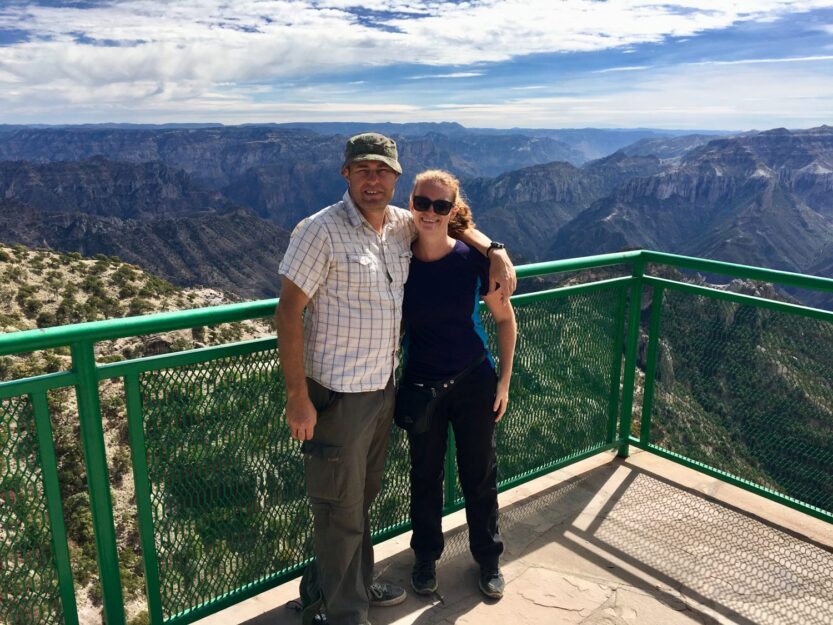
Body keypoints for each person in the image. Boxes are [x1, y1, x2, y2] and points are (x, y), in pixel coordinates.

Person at [275, 133, 515, 625]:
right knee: (342, 509)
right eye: (363, 169)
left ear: (396, 180)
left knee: (359, 502)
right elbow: (288, 313)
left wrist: (496, 248)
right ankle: (345, 611)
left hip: (388, 390)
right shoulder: (319, 230)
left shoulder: (399, 226)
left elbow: (454, 224)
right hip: (339, 393)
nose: (372, 179)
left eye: (382, 171)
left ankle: (350, 590)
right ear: (346, 173)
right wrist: (297, 396)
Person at [401, 170, 516, 600]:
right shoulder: (397, 254)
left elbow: (505, 320)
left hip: (473, 381)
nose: (430, 212)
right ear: (410, 203)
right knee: (424, 477)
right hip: (420, 385)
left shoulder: (473, 262)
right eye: (422, 202)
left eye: (441, 205)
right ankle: (426, 558)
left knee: (479, 474)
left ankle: (488, 561)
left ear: (453, 211)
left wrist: (503, 380)